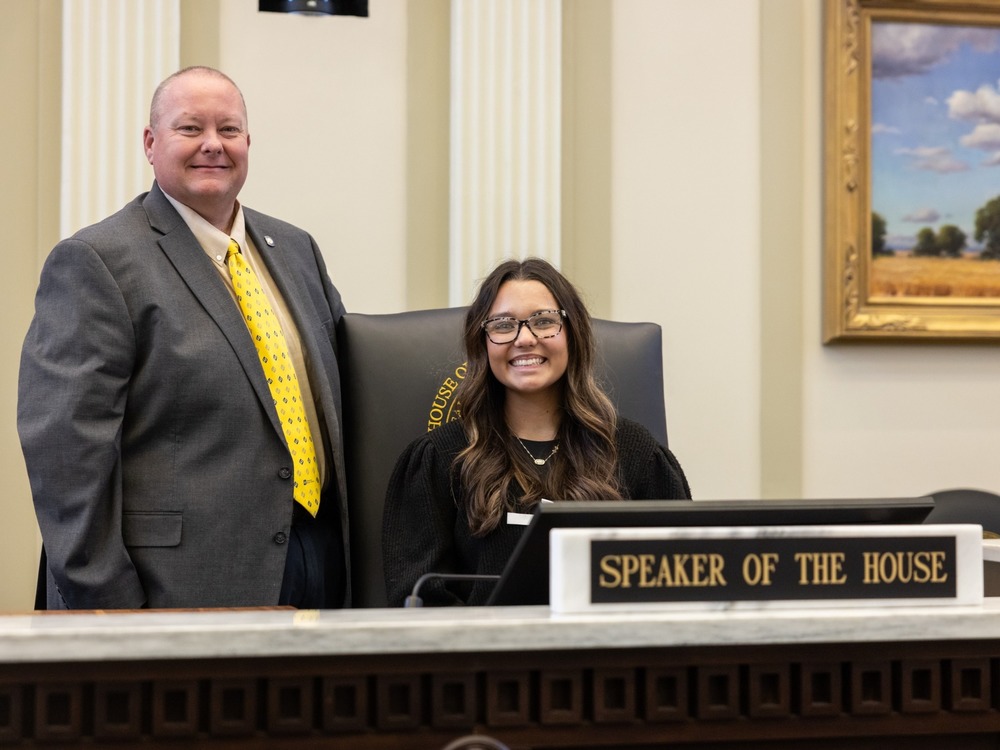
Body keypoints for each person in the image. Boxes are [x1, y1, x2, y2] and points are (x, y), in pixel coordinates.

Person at [17, 66, 350, 610]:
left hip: (321, 560)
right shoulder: (98, 261)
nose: (213, 145)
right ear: (151, 144)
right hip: (174, 587)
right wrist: (110, 608)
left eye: (230, 130)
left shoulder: (296, 249)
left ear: (249, 142)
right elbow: (66, 456)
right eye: (190, 128)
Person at [381, 257, 691, 606]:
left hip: (608, 655)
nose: (525, 339)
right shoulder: (438, 461)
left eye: (544, 321)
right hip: (482, 657)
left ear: (573, 335)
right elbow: (419, 603)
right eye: (502, 325)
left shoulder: (636, 454)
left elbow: (680, 586)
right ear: (482, 343)